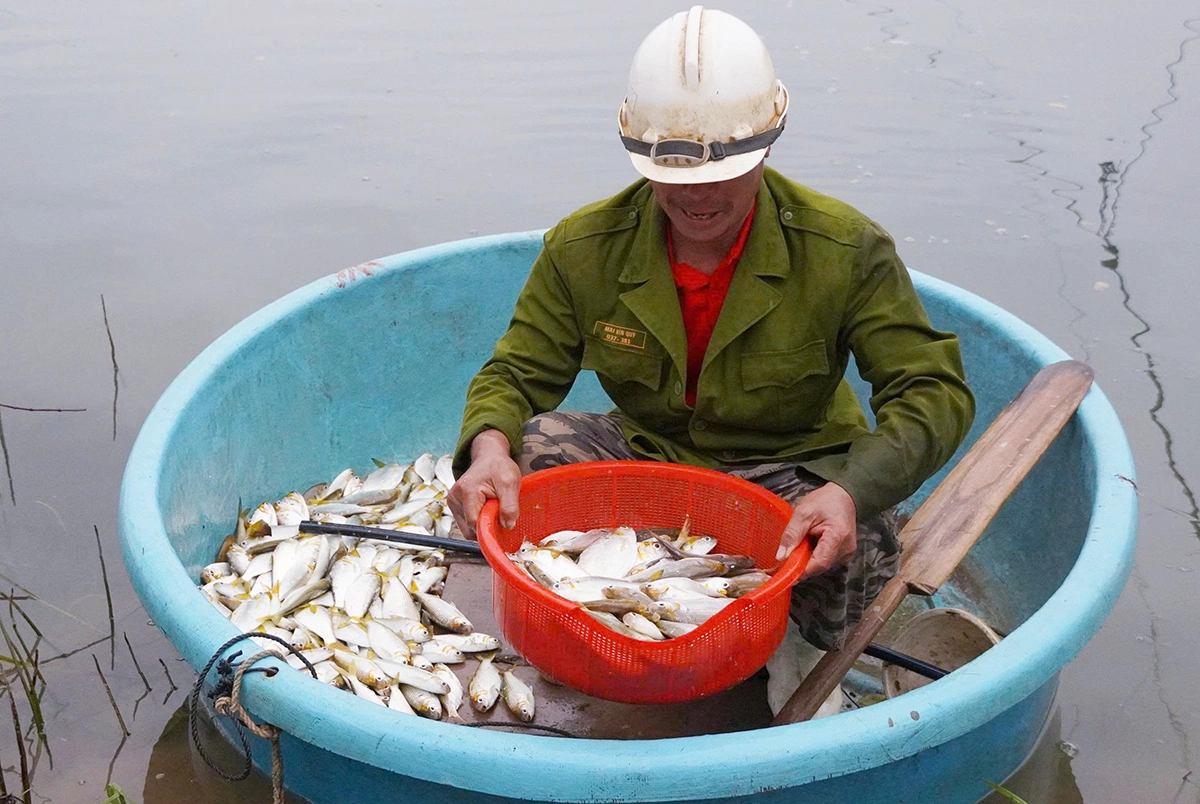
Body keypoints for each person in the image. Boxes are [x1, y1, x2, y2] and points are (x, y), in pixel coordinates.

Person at [447, 6, 974, 715]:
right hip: (652, 453)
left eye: (724, 169)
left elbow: (932, 390)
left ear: (768, 143)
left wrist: (848, 492)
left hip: (792, 464)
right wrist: (487, 448)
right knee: (536, 453)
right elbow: (515, 373)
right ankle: (606, 622)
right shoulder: (583, 247)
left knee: (866, 531)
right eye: (671, 171)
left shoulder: (846, 250)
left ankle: (800, 651)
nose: (698, 195)